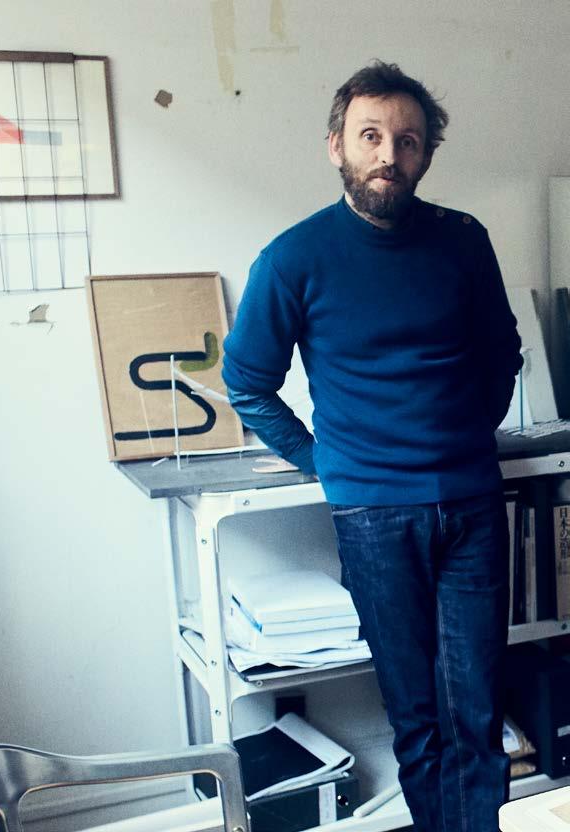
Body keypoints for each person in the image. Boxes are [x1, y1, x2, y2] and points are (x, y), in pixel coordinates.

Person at [222, 60, 523, 832]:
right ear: (337, 146)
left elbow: (503, 352)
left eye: (408, 140)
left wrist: (468, 433)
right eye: (371, 135)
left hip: (472, 504)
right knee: (417, 719)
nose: (390, 153)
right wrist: (323, 462)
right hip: (372, 517)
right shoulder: (293, 258)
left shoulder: (463, 240)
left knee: (477, 713)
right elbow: (247, 382)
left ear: (426, 154)